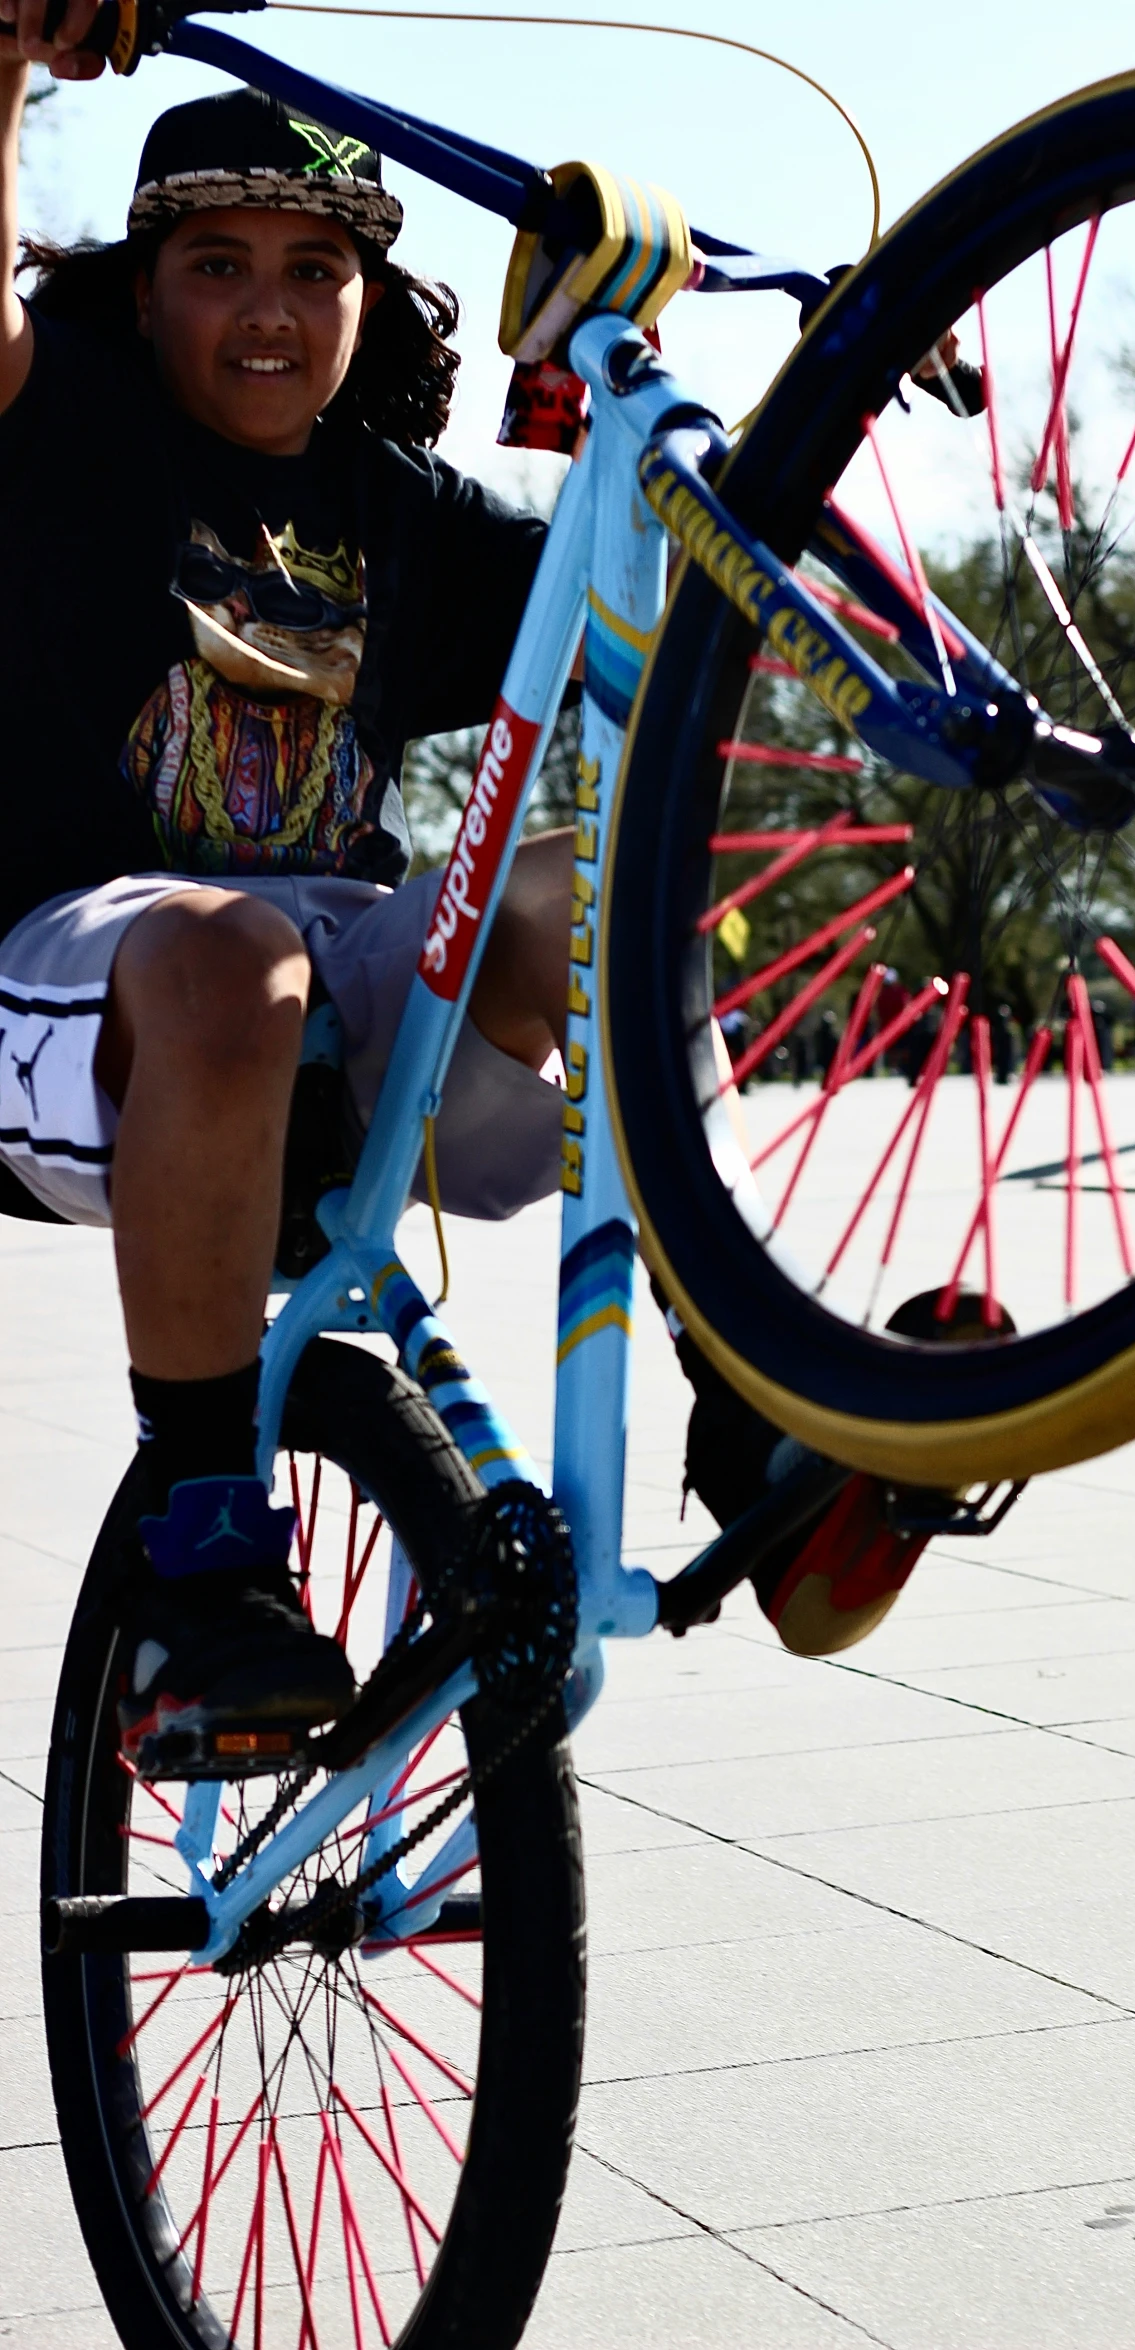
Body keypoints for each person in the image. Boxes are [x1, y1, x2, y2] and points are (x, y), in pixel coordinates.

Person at [0, 15, 920, 1760]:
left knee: (603, 893)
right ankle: (198, 1578)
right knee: (228, 955)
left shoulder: (397, 509)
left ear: (371, 301)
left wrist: (863, 342)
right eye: (217, 265)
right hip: (74, 998)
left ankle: (754, 1421)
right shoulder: (71, 420)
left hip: (346, 1006)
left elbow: (706, 586)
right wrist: (14, 57)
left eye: (315, 266)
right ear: (140, 292)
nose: (271, 308)